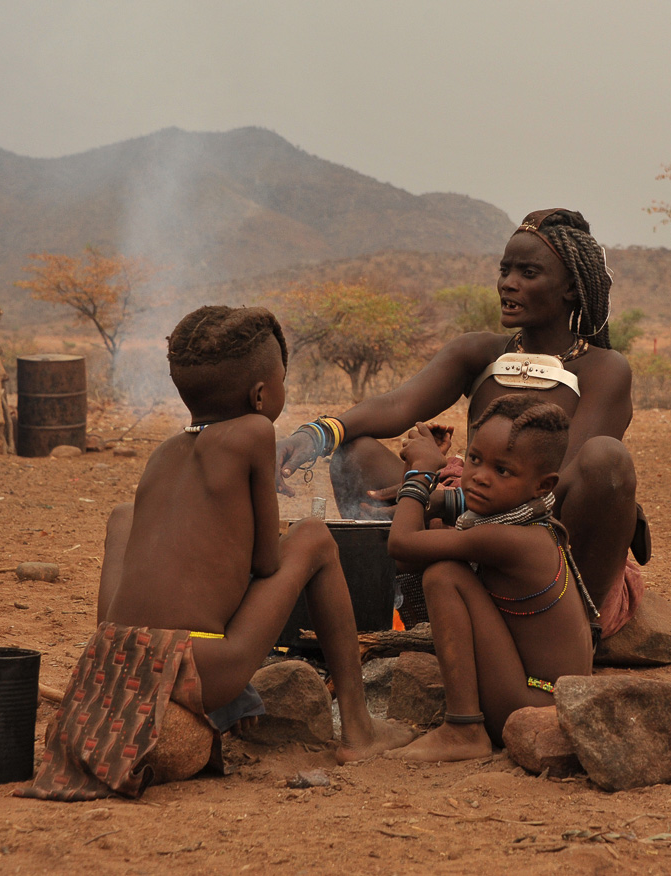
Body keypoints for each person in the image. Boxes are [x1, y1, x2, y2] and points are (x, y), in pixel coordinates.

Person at [275, 209, 645, 634]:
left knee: (608, 460)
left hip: (542, 542)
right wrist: (312, 435)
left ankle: (580, 630)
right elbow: (397, 404)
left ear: (571, 289)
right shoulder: (478, 353)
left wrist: (440, 499)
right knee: (354, 449)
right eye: (505, 270)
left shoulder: (604, 369)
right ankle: (404, 599)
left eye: (528, 273)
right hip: (469, 510)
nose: (508, 283)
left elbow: (560, 482)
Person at [99, 305, 412, 761]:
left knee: (124, 516)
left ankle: (122, 651)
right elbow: (265, 562)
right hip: (199, 667)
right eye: (283, 380)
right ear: (262, 394)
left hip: (115, 659)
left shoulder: (164, 453)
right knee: (313, 537)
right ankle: (360, 729)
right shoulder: (253, 432)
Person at [385, 395, 596, 762]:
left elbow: (401, 545)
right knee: (440, 543)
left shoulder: (504, 539)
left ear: (543, 486)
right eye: (475, 459)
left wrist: (420, 470)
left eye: (503, 471)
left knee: (443, 574)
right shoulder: (528, 522)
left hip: (534, 705)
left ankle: (464, 729)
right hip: (546, 696)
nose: (479, 476)